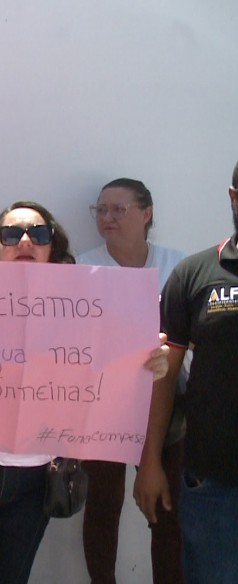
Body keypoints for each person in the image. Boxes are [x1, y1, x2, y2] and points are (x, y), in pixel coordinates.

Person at [0, 201, 169, 584]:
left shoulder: (84, 309)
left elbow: (111, 371)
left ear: (52, 248)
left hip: (36, 481)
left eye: (38, 234)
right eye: (11, 233)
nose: (25, 240)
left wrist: (148, 365)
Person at [133, 160, 238, 582]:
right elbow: (162, 375)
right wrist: (149, 461)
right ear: (233, 197)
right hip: (212, 483)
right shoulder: (194, 274)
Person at [77, 178, 186, 584]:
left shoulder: (178, 265)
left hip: (166, 402)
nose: (107, 218)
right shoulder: (84, 267)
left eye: (118, 210)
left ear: (147, 213)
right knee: (104, 504)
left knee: (165, 506)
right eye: (101, 210)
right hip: (104, 403)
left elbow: (193, 335)